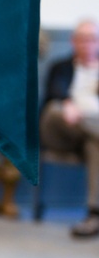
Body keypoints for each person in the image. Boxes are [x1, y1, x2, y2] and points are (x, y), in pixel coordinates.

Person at [39, 19, 99, 237]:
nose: (86, 44)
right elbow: (54, 93)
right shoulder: (61, 67)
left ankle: (94, 215)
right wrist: (67, 104)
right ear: (73, 42)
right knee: (54, 109)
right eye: (82, 39)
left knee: (95, 145)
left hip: (90, 133)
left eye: (91, 39)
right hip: (61, 128)